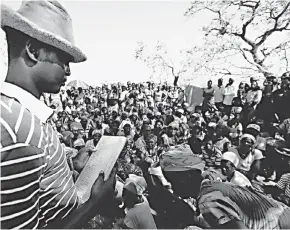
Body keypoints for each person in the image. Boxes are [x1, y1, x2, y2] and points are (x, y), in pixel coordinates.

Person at [0, 1, 115, 228]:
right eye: (64, 59)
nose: (69, 70)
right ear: (33, 51)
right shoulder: (21, 134)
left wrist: (70, 161)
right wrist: (94, 204)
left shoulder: (20, 117)